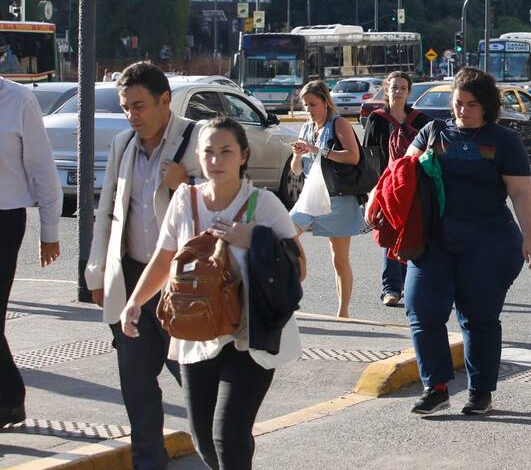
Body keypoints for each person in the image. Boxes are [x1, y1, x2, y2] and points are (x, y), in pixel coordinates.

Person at [120, 117, 305, 470]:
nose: (216, 160)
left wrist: (254, 239)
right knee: (204, 440)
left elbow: (300, 266)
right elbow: (163, 259)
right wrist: (135, 301)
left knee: (228, 435)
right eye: (208, 152)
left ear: (243, 156)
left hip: (248, 335)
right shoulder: (185, 200)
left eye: (226, 151)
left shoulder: (263, 204)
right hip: (197, 333)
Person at [85, 62, 202, 469]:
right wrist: (97, 270)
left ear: (165, 101)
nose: (132, 116)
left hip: (182, 284)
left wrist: (187, 184)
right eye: (125, 107)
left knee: (193, 379)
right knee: (135, 383)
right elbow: (107, 212)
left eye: (139, 106)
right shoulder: (123, 144)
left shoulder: (197, 138)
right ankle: (148, 461)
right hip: (133, 279)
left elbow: (230, 203)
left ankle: (220, 451)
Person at [404, 69, 531, 416]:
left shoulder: (504, 140)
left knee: (478, 317)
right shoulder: (433, 131)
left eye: (472, 104)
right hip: (434, 240)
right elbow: (402, 175)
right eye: (458, 102)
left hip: (489, 241)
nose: (463, 110)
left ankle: (480, 391)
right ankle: (435, 388)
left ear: (488, 106)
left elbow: (521, 193)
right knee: (421, 308)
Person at [0, 76, 62, 427]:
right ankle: (8, 395)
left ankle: (9, 396)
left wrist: (50, 230)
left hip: (4, 219)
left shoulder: (19, 100)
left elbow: (42, 168)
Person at [290, 80, 362, 319]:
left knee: (339, 259)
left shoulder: (338, 123)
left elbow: (353, 157)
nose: (309, 109)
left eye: (313, 104)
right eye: (305, 105)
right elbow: (297, 171)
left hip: (338, 197)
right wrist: (298, 156)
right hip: (311, 194)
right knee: (285, 237)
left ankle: (343, 313)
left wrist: (316, 150)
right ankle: (286, 296)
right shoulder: (307, 128)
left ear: (325, 102)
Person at [362, 71, 430, 308]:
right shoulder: (377, 119)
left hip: (414, 187)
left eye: (403, 87)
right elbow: (369, 156)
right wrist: (372, 191)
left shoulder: (421, 120)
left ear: (409, 91)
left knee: (412, 235)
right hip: (386, 188)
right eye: (394, 87)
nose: (398, 91)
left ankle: (410, 286)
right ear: (386, 90)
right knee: (390, 237)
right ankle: (391, 288)